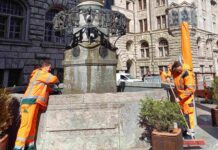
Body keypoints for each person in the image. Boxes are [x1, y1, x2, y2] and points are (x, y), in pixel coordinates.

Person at [14, 60, 59, 150]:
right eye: (49, 68)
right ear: (44, 67)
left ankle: (30, 145)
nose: (50, 70)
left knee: (32, 124)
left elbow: (43, 87)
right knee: (26, 125)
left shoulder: (39, 75)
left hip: (33, 103)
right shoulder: (41, 73)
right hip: (29, 103)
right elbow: (54, 79)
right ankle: (18, 147)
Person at [171, 61, 195, 138]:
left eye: (179, 70)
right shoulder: (175, 72)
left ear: (181, 67)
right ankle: (184, 130)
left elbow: (190, 89)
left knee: (188, 115)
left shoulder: (187, 74)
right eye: (176, 71)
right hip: (180, 98)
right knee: (181, 115)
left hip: (187, 98)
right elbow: (169, 73)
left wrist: (180, 97)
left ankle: (190, 134)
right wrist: (168, 77)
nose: (178, 72)